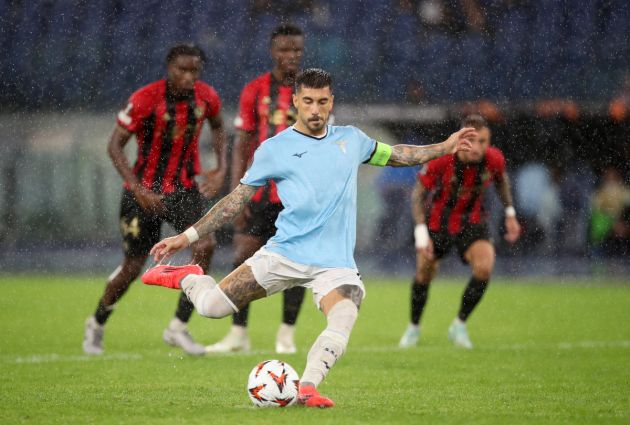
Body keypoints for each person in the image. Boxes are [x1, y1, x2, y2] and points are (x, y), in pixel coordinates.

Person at [141, 68, 474, 407]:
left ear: (332, 103)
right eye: (309, 102)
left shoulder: (351, 140)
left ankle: (307, 388)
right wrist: (187, 236)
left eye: (323, 102)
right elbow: (235, 200)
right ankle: (188, 277)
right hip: (285, 254)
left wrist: (444, 147)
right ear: (296, 102)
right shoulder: (275, 149)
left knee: (345, 313)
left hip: (335, 264)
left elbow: (399, 155)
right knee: (211, 309)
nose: (316, 110)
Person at [82, 44, 228, 356]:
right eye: (182, 70)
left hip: (184, 190)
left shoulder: (206, 97)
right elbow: (114, 146)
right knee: (133, 268)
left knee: (205, 246)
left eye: (194, 71)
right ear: (169, 69)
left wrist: (221, 167)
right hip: (143, 193)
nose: (188, 77)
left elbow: (218, 126)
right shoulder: (145, 99)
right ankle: (97, 321)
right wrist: (137, 189)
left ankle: (178, 327)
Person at [206, 24, 306, 354]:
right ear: (273, 52)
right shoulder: (256, 89)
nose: (291, 56)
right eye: (285, 50)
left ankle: (286, 336)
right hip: (260, 192)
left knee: (297, 267)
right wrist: (238, 192)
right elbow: (243, 143)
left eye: (296, 50)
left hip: (297, 196)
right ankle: (238, 334)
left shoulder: (312, 91)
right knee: (243, 259)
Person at [399, 114, 521, 350]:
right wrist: (421, 232)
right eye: (472, 140)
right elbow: (418, 194)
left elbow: (501, 181)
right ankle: (414, 327)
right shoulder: (442, 159)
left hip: (472, 221)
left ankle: (459, 324)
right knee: (424, 274)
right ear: (461, 137)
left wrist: (510, 213)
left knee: (485, 267)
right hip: (438, 223)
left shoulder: (494, 159)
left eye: (483, 141)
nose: (477, 147)